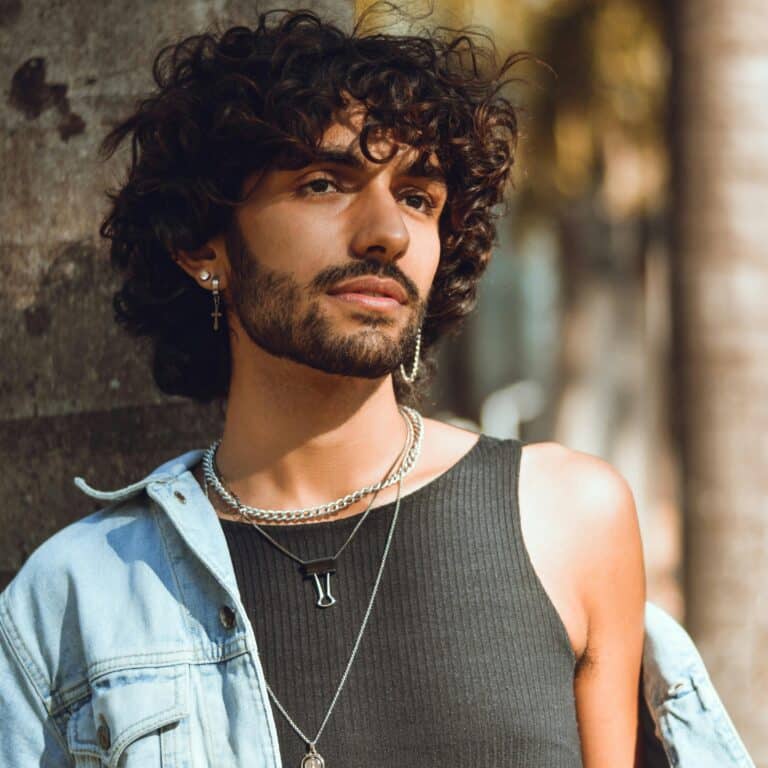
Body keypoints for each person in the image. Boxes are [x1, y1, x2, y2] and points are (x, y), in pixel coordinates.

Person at [0, 6, 647, 767]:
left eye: (418, 198)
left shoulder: (568, 519)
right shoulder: (76, 597)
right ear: (201, 244)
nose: (388, 233)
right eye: (323, 184)